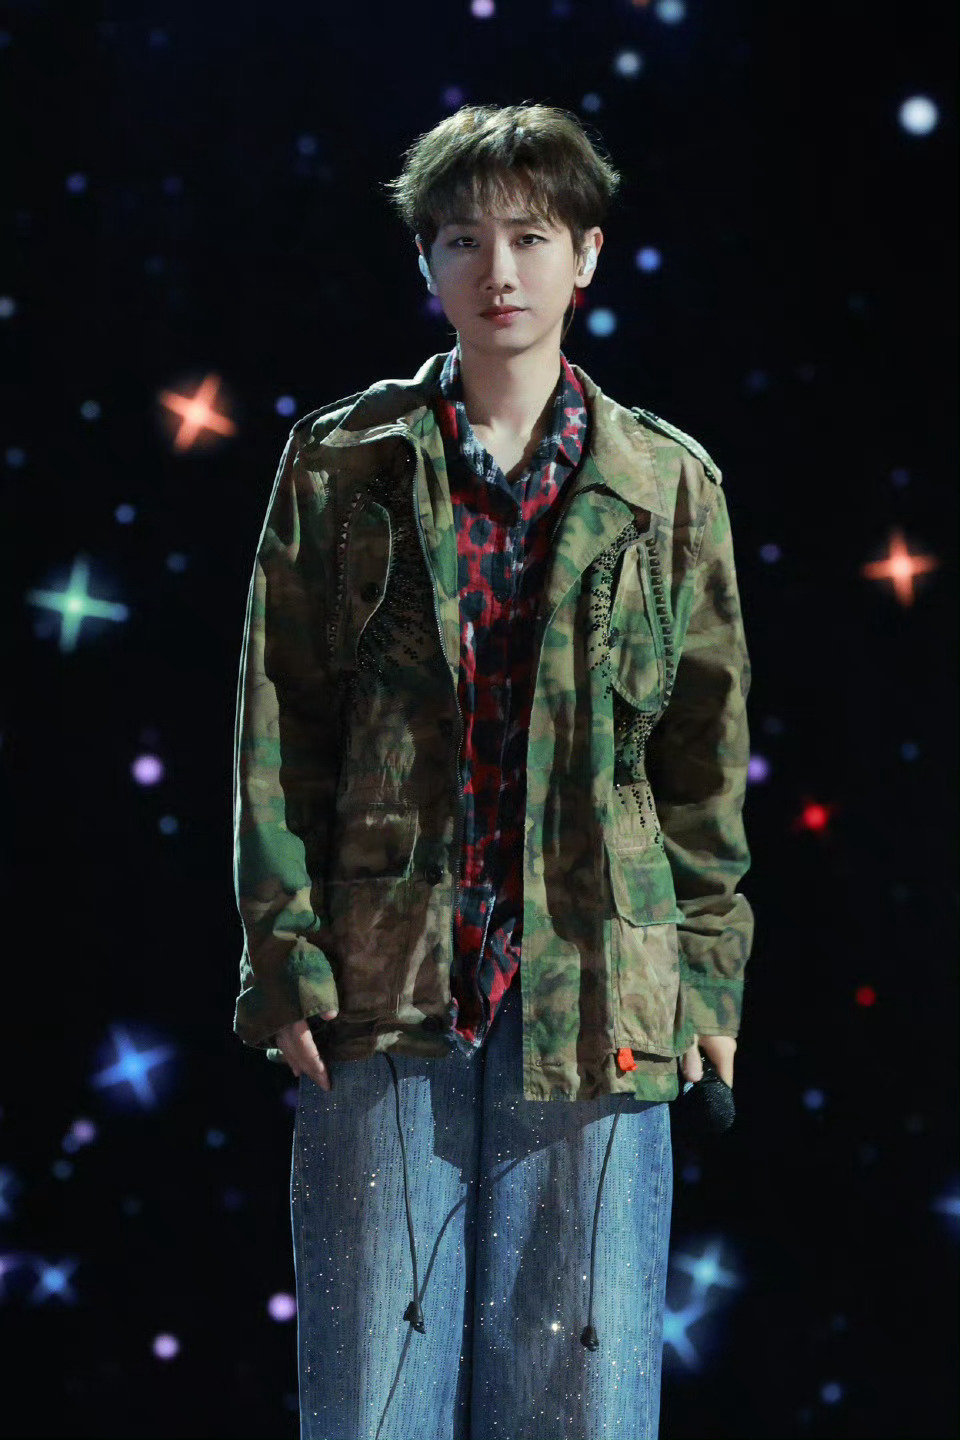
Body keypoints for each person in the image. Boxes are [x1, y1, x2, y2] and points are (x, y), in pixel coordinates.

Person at [231, 102, 753, 1440]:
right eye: (464, 240)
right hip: (383, 978)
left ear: (587, 255)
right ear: (427, 261)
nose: (499, 271)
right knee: (373, 1392)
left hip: (601, 987)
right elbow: (280, 723)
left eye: (530, 236)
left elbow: (702, 760)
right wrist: (283, 956)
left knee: (582, 1393)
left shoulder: (667, 486)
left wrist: (708, 972)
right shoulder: (342, 465)